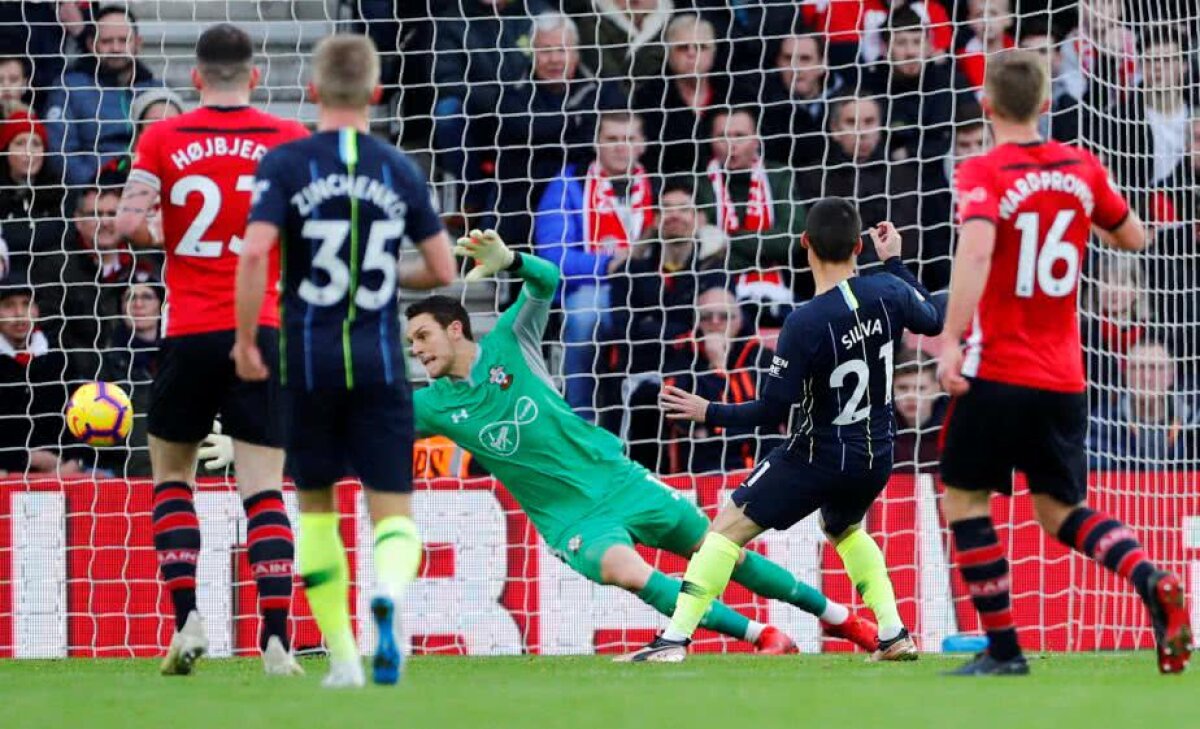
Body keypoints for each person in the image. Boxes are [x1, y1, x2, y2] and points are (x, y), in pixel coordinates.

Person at [406, 230, 879, 659]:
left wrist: (512, 260)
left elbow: (546, 280)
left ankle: (842, 620)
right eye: (411, 343)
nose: (417, 349)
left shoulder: (510, 339)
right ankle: (762, 635)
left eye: (423, 336)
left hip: (618, 478)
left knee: (722, 552)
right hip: (569, 518)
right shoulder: (431, 405)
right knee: (628, 572)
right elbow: (380, 427)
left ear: (456, 329)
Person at [935, 50, 1190, 676]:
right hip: (1064, 376)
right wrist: (1081, 217)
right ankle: (1149, 577)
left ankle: (1004, 651)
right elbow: (1134, 236)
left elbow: (976, 251)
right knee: (1057, 511)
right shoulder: (1081, 167)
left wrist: (949, 339)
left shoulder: (981, 170)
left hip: (997, 368)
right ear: (1047, 104)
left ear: (987, 106)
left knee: (964, 499)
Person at [621, 202, 943, 662]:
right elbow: (932, 318)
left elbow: (772, 409)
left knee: (724, 530)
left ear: (805, 244)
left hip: (818, 453)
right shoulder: (888, 290)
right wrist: (894, 260)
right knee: (842, 526)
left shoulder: (805, 322)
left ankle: (673, 640)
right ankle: (892, 633)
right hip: (876, 454)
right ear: (859, 247)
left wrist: (707, 409)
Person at [233, 35, 456, 688]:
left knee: (317, 510)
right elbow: (443, 269)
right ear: (377, 93)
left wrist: (246, 340)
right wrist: (382, 272)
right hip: (380, 362)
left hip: (308, 363)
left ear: (312, 91)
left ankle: (345, 658)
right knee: (393, 514)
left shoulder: (287, 162)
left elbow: (255, 252)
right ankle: (386, 593)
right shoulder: (397, 168)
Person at [112, 23, 309, 678]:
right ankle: (276, 640)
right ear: (255, 76)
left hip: (188, 330)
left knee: (173, 478)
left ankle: (187, 620)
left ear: (195, 78)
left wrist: (167, 233)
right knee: (263, 488)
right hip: (262, 328)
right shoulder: (288, 136)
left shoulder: (164, 135)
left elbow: (128, 223)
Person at [535, 110, 653, 420]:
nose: (621, 147)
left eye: (629, 139)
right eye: (611, 139)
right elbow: (553, 257)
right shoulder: (568, 183)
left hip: (648, 287)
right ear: (596, 142)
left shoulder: (658, 184)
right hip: (593, 284)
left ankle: (651, 420)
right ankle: (581, 417)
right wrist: (608, 264)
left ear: (643, 144)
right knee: (585, 317)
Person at [663, 286, 784, 475]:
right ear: (696, 322)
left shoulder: (762, 357)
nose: (715, 322)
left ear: (739, 320)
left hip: (762, 466)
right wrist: (717, 367)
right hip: (702, 468)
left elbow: (772, 413)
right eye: (706, 317)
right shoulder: (681, 355)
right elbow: (679, 415)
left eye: (724, 316)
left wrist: (710, 428)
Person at [43, 4, 164, 186]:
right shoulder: (69, 88)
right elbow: (60, 154)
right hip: (90, 193)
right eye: (107, 41)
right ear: (91, 45)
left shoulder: (158, 91)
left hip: (149, 189)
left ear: (138, 43)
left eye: (123, 40)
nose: (116, 48)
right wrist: (98, 188)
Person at [0, 274, 81, 477]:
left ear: (36, 310)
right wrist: (27, 458)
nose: (19, 314)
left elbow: (79, 417)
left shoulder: (60, 357)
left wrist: (74, 461)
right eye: (8, 305)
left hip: (62, 471)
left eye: (26, 304)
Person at [1089, 339, 1199, 471]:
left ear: (1172, 374)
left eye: (1156, 368)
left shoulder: (1194, 422)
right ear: (1125, 373)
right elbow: (1094, 468)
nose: (1146, 377)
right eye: (1137, 367)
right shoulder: (1102, 422)